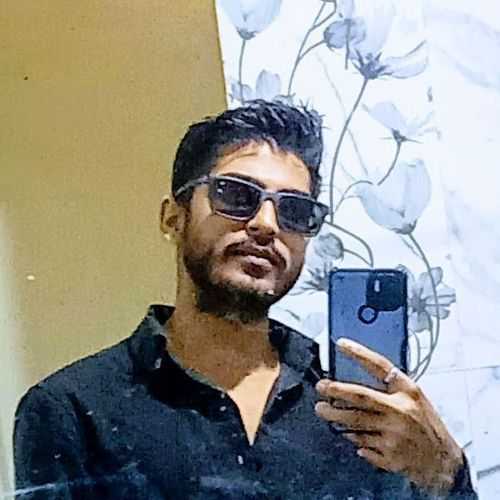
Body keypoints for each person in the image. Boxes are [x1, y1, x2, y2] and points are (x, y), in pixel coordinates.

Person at [14, 100, 477, 499]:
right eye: (236, 195)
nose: (266, 225)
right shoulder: (72, 410)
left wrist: (446, 474)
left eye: (295, 210)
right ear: (173, 218)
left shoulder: (354, 413)